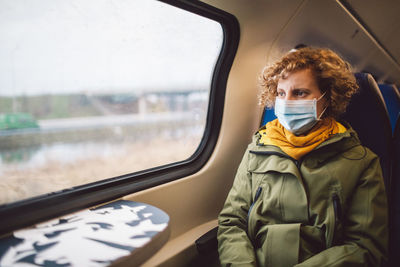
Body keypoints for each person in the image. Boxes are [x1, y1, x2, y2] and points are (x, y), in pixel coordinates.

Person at [217, 47, 388, 267]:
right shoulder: (257, 149)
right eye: (280, 93)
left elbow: (365, 248)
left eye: (300, 93)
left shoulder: (362, 162)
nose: (286, 102)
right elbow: (232, 222)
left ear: (328, 98)